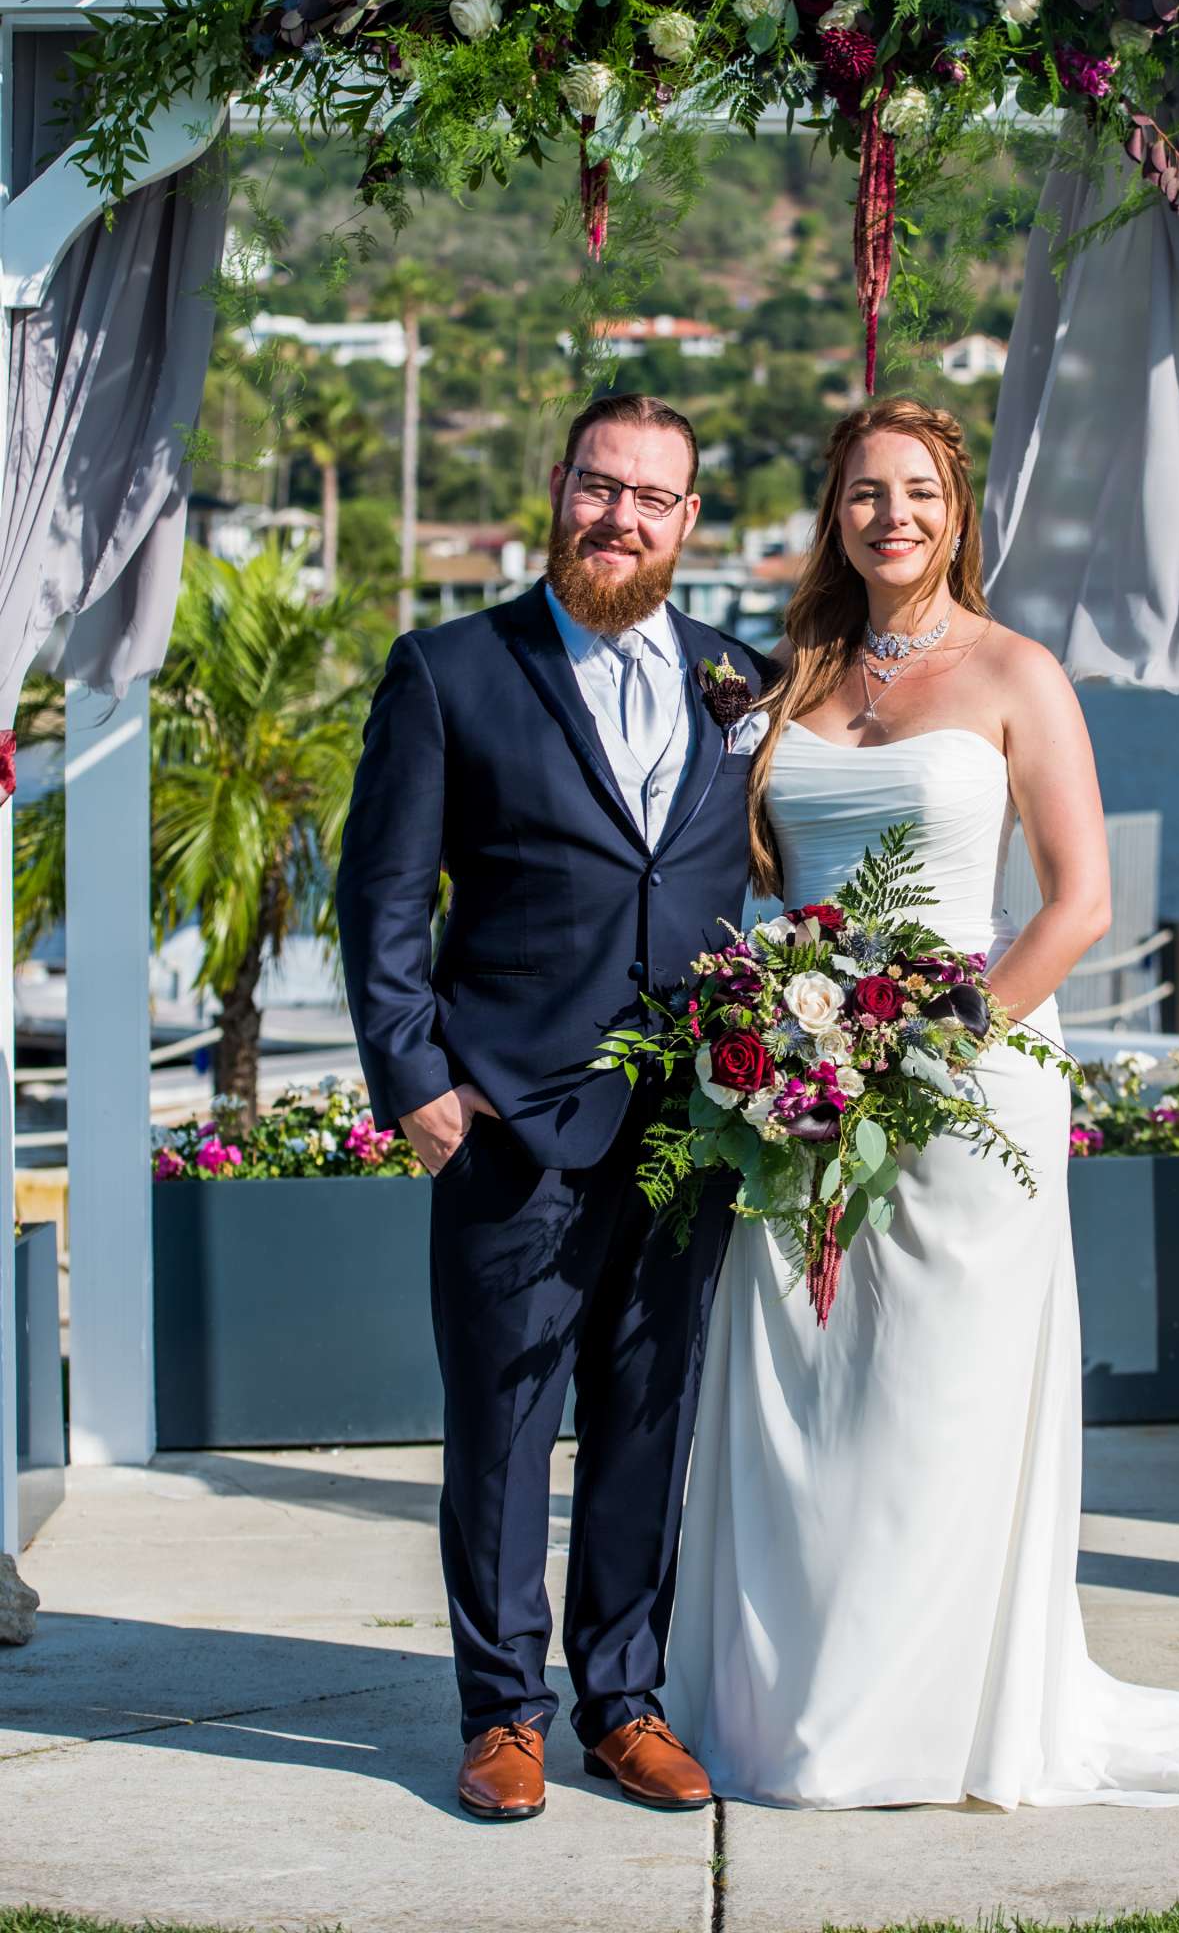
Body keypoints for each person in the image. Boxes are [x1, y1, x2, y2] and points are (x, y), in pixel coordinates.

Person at [666, 395, 1179, 1810]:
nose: (892, 517)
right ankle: (787, 1712)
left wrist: (936, 1042)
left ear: (959, 514)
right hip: (799, 1088)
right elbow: (748, 878)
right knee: (799, 1401)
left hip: (963, 1086)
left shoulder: (1019, 675)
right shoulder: (791, 682)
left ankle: (931, 1726)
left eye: (919, 494)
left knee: (934, 1406)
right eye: (864, 494)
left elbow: (1081, 903)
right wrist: (781, 1039)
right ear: (831, 514)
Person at [336, 392, 771, 1824]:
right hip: (508, 1119)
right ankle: (501, 1715)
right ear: (558, 487)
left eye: (653, 497)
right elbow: (384, 897)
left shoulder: (740, 677)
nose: (620, 518)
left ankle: (623, 1704)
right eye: (599, 486)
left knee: (649, 1418)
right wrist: (418, 1086)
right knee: (504, 1427)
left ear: (688, 520)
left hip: (689, 1129)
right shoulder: (451, 670)